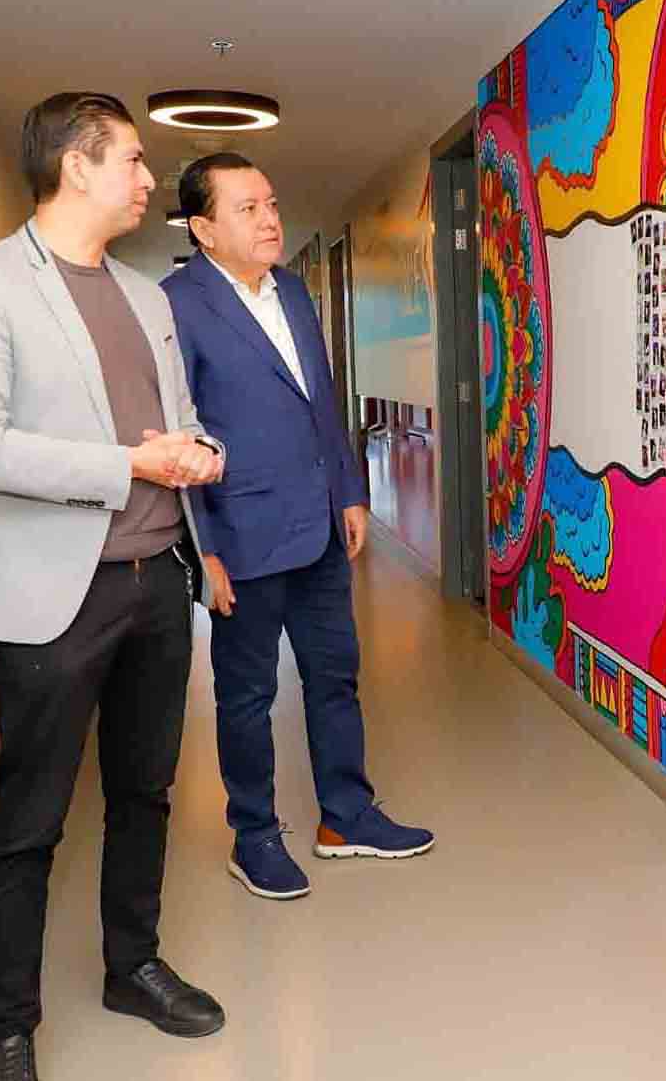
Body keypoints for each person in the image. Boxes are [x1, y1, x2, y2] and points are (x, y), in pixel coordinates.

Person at [0, 93, 231, 1081]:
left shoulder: (148, 296)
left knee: (145, 793)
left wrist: (199, 453)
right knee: (30, 820)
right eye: (133, 160)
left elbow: (176, 418)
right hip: (54, 598)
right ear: (76, 166)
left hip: (158, 582)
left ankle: (131, 967)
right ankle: (6, 1029)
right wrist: (126, 465)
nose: (149, 179)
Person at [163, 152, 435, 904]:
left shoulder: (290, 288)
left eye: (272, 204)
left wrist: (349, 490)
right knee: (247, 696)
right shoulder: (176, 305)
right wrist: (204, 551)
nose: (270, 220)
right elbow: (177, 433)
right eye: (247, 208)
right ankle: (253, 836)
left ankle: (346, 816)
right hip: (241, 536)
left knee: (334, 675)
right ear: (203, 229)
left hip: (319, 527)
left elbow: (320, 394)